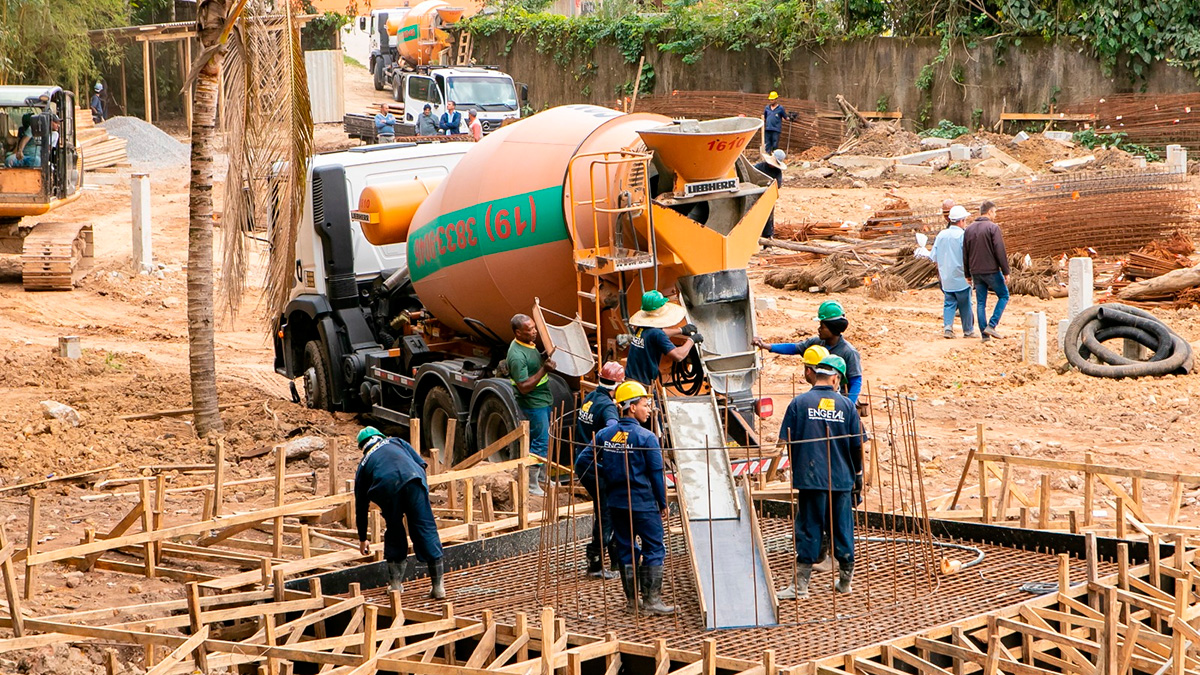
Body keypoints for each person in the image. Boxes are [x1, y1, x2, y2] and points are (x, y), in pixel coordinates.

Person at [776, 356, 863, 599]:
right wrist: (857, 475)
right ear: (836, 378)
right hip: (841, 478)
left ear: (815, 374)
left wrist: (799, 468)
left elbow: (787, 442)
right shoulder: (846, 406)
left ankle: (800, 586)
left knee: (809, 528)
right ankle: (845, 582)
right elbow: (856, 445)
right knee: (843, 529)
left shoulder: (799, 403)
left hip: (811, 479)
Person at [596, 380, 674, 615]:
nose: (649, 409)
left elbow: (585, 462)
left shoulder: (604, 434)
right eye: (644, 404)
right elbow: (657, 475)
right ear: (631, 407)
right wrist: (663, 502)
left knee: (626, 548)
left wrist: (605, 483)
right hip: (643, 503)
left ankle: (633, 603)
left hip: (617, 503)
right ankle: (651, 601)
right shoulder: (646, 437)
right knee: (654, 547)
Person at [354, 427, 446, 598]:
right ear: (379, 437)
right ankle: (438, 587)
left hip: (386, 489)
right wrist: (421, 490)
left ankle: (395, 586)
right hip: (413, 480)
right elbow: (421, 464)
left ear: (363, 447)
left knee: (395, 530)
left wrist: (362, 538)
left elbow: (361, 504)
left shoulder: (364, 463)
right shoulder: (396, 441)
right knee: (425, 527)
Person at [753, 300, 863, 405]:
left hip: (839, 400)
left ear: (832, 329)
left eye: (822, 327)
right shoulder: (816, 343)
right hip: (819, 394)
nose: (819, 329)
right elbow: (794, 348)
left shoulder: (848, 352)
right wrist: (766, 346)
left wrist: (850, 406)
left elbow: (856, 381)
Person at [573, 361, 626, 580]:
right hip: (595, 466)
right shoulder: (607, 407)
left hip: (583, 461)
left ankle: (613, 558)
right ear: (618, 384)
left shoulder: (591, 397)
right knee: (606, 512)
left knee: (606, 510)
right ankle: (595, 564)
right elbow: (612, 429)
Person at [507, 313, 556, 497]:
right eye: (530, 330)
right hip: (533, 402)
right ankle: (531, 484)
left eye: (535, 327)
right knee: (540, 441)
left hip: (542, 398)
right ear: (518, 333)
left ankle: (543, 477)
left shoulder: (526, 344)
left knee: (545, 438)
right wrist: (545, 368)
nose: (535, 332)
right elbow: (524, 387)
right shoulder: (517, 356)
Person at [915, 205, 977, 339]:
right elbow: (969, 256)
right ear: (960, 221)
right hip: (961, 277)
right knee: (965, 304)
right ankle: (968, 331)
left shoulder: (941, 235)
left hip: (946, 277)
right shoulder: (963, 236)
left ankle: (948, 328)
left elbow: (934, 257)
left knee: (949, 303)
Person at [625, 290, 701, 387]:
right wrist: (692, 340)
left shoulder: (641, 328)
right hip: (642, 386)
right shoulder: (656, 333)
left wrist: (680, 330)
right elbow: (678, 356)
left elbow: (656, 335)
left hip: (630, 382)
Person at [963, 200, 1010, 342]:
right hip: (991, 270)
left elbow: (965, 252)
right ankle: (992, 324)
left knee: (981, 302)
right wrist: (1006, 271)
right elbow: (999, 250)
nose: (995, 215)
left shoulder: (969, 229)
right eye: (994, 212)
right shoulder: (993, 228)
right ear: (989, 212)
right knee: (1004, 295)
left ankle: (984, 335)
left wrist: (967, 273)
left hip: (976, 271)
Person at [753, 149, 786, 239]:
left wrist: (769, 185)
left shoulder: (777, 171)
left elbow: (778, 184)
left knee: (768, 217)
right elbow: (751, 177)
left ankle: (767, 239)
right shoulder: (759, 167)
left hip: (768, 196)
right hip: (756, 195)